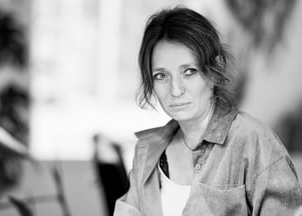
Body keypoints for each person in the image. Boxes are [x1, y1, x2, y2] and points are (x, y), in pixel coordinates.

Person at [113, 6, 302, 216]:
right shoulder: (147, 150)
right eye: (161, 76)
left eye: (189, 72)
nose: (175, 90)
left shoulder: (253, 141)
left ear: (214, 71)